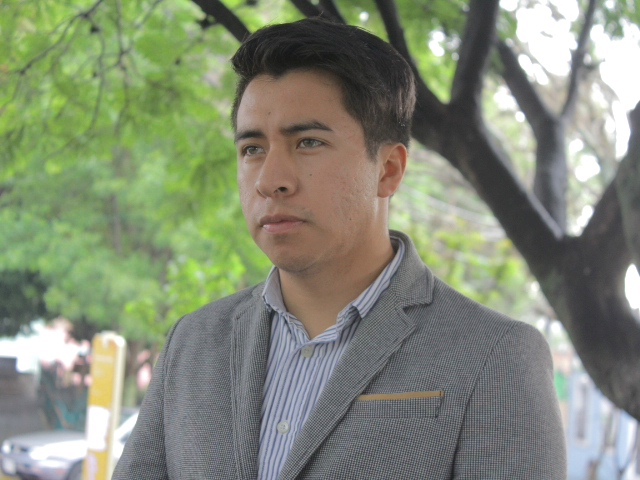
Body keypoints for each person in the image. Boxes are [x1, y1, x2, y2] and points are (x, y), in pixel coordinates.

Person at [113, 18, 566, 479]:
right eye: (252, 148)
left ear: (389, 170)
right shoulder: (193, 343)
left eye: (308, 142)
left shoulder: (494, 356)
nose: (271, 180)